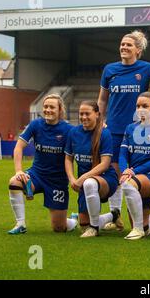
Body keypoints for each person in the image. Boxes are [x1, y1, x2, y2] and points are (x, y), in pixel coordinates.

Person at [98, 30, 150, 230]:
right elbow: (103, 99)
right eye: (122, 44)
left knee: (140, 170)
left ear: (138, 50)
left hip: (139, 130)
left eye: (129, 45)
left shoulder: (149, 69)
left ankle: (147, 216)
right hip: (113, 128)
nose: (124, 47)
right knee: (115, 170)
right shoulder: (109, 70)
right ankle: (115, 215)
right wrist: (100, 120)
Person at [8, 94, 76, 234]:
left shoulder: (69, 130)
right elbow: (18, 147)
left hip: (57, 181)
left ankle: (73, 220)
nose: (48, 110)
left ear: (60, 110)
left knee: (59, 228)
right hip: (36, 175)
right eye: (45, 107)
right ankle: (20, 224)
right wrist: (19, 171)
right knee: (15, 182)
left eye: (52, 107)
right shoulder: (35, 125)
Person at [64, 101, 121, 238]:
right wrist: (72, 179)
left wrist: (82, 178)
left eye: (87, 113)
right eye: (81, 114)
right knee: (83, 226)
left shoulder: (104, 133)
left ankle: (94, 228)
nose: (83, 117)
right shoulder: (73, 132)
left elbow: (105, 164)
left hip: (106, 179)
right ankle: (112, 215)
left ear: (97, 114)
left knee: (89, 183)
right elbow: (68, 159)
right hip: (83, 183)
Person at [118, 92, 150, 240]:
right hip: (133, 176)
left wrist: (132, 172)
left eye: (145, 106)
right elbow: (122, 155)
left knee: (127, 184)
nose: (140, 109)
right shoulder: (130, 128)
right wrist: (124, 170)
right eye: (138, 106)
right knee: (147, 228)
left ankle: (137, 229)